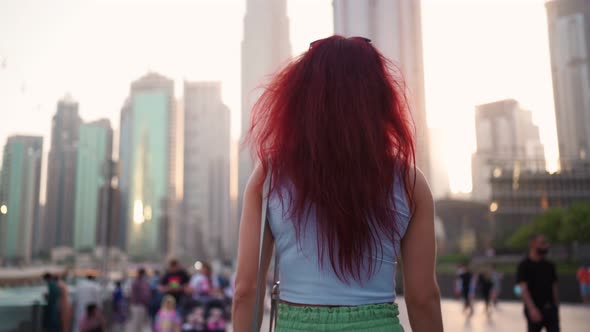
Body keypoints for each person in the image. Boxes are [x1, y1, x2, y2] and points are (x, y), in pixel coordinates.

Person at [232, 35, 443, 331]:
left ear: (300, 98)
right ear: (379, 98)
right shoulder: (410, 181)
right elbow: (422, 297)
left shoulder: (269, 176)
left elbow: (246, 288)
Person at [517, 234, 560, 332]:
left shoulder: (550, 266)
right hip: (535, 309)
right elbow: (523, 288)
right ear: (532, 245)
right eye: (542, 243)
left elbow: (555, 286)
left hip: (551, 310)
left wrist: (556, 306)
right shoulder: (524, 266)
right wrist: (532, 309)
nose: (546, 246)